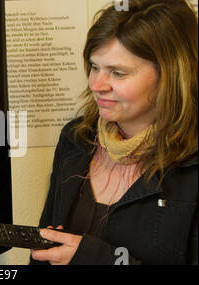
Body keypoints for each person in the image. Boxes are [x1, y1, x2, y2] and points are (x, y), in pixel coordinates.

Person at [30, 0, 198, 265]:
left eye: (118, 73)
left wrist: (94, 258)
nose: (96, 84)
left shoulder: (192, 164)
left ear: (170, 76)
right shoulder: (75, 139)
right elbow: (44, 248)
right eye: (95, 67)